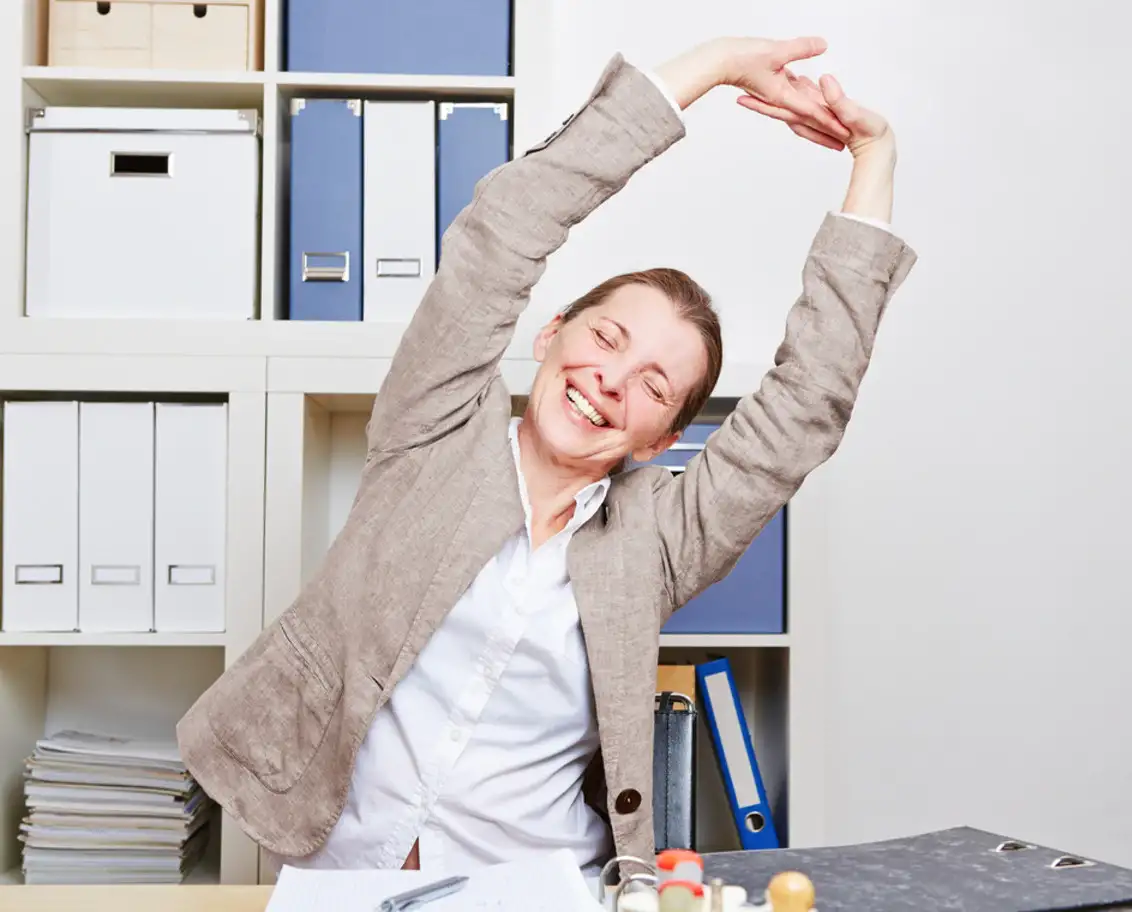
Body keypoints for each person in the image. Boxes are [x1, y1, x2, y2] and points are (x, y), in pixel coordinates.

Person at [177, 34, 917, 880]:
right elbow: (508, 226)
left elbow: (803, 408)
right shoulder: (435, 425)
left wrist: (873, 156)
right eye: (607, 337)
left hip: (536, 887)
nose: (610, 382)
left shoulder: (660, 541)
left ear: (664, 439)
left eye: (652, 386)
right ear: (552, 332)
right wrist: (711, 69)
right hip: (339, 870)